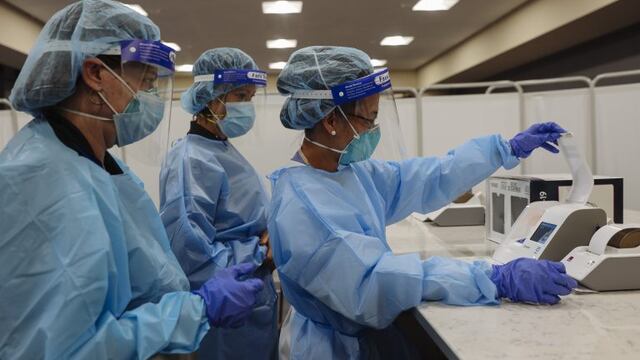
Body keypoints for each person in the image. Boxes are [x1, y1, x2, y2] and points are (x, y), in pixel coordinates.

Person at [267, 46, 578, 359]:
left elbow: (430, 177)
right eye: (368, 119)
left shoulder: (350, 174)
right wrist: (492, 279)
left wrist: (505, 149)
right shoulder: (302, 206)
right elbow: (374, 279)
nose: (373, 132)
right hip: (331, 350)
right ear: (332, 119)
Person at [0, 1, 263, 359]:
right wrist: (197, 309)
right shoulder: (40, 182)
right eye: (147, 82)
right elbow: (67, 349)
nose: (152, 100)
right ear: (96, 74)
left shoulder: (99, 167)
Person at [159, 48, 278, 359]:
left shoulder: (219, 149)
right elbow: (191, 254)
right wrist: (262, 254)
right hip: (228, 315)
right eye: (240, 96)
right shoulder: (191, 159)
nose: (247, 107)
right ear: (212, 98)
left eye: (251, 97)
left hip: (251, 304)